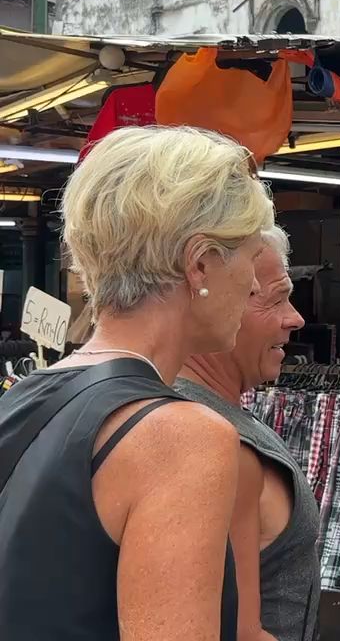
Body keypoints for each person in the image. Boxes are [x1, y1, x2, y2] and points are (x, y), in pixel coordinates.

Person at [0, 126, 275, 639]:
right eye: (249, 256)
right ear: (200, 264)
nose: (256, 283)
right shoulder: (180, 436)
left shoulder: (23, 399)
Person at [175, 226, 320, 641]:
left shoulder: (219, 418)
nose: (295, 318)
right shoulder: (209, 438)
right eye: (275, 298)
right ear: (218, 296)